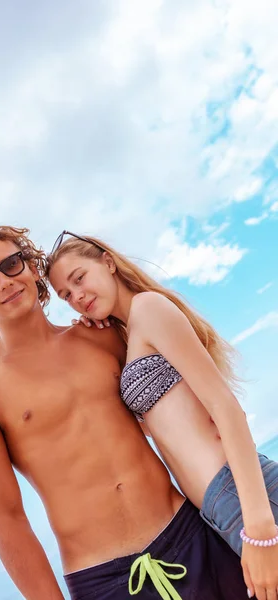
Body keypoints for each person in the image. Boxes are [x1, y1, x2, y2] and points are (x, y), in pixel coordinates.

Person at [0, 225, 249, 600]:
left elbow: (180, 409)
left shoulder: (100, 336)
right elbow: (6, 517)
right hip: (105, 580)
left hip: (191, 533)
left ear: (33, 268)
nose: (4, 281)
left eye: (11, 264)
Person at [47, 230, 278, 600]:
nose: (77, 296)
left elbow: (225, 408)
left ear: (107, 262)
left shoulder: (149, 308)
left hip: (241, 491)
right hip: (218, 506)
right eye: (66, 296)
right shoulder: (132, 332)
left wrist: (259, 524)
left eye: (79, 278)